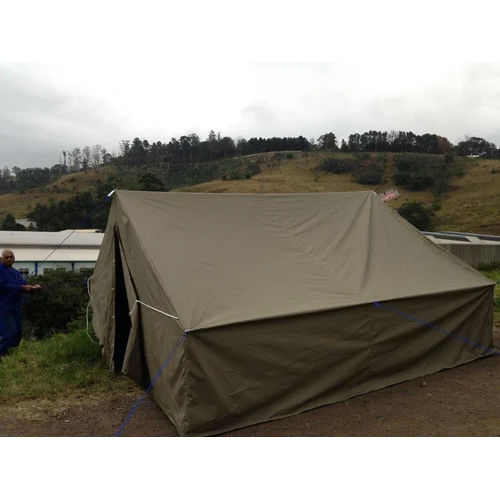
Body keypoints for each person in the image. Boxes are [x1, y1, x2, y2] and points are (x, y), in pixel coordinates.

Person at [0, 249, 41, 359]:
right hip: (3, 307)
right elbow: (3, 286)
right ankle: (1, 353)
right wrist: (22, 287)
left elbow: (23, 285)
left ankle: (10, 354)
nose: (9, 259)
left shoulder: (16, 273)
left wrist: (32, 288)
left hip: (15, 306)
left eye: (11, 257)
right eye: (6, 257)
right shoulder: (0, 270)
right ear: (2, 259)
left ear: (14, 258)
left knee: (18, 331)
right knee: (9, 331)